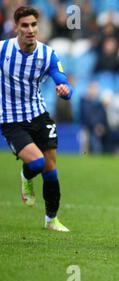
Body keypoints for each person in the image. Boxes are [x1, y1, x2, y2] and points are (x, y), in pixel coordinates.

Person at [0, 6, 73, 232]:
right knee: (37, 163)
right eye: (24, 25)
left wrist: (65, 89)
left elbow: (62, 79)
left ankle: (51, 220)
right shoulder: (3, 50)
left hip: (39, 115)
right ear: (16, 28)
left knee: (51, 171)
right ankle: (26, 175)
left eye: (33, 25)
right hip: (12, 119)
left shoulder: (47, 54)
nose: (30, 30)